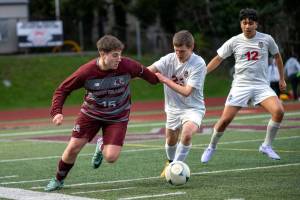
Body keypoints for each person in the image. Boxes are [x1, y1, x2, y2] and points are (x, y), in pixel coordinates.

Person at [45, 35, 159, 192]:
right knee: (73, 148)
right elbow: (62, 89)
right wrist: (57, 112)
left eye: (120, 54)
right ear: (102, 54)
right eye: (114, 55)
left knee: (111, 157)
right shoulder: (86, 71)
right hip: (91, 115)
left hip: (118, 117)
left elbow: (150, 77)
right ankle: (58, 179)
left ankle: (101, 145)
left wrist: (163, 78)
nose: (119, 59)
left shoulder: (128, 65)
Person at [201, 8, 286, 163]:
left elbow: (277, 57)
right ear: (241, 24)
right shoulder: (234, 41)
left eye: (250, 23)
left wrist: (282, 79)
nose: (247, 26)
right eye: (244, 23)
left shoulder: (266, 39)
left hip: (261, 86)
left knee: (279, 111)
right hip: (240, 86)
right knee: (225, 120)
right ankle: (211, 146)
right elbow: (218, 59)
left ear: (256, 24)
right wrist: (203, 73)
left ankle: (266, 145)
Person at [148, 30, 207, 177]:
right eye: (176, 50)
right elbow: (148, 71)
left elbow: (187, 91)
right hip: (173, 109)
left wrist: (165, 79)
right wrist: (127, 76)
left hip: (193, 108)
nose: (178, 54)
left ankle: (174, 168)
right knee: (170, 140)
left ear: (191, 47)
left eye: (182, 51)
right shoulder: (168, 59)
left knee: (186, 134)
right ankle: (170, 162)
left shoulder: (198, 63)